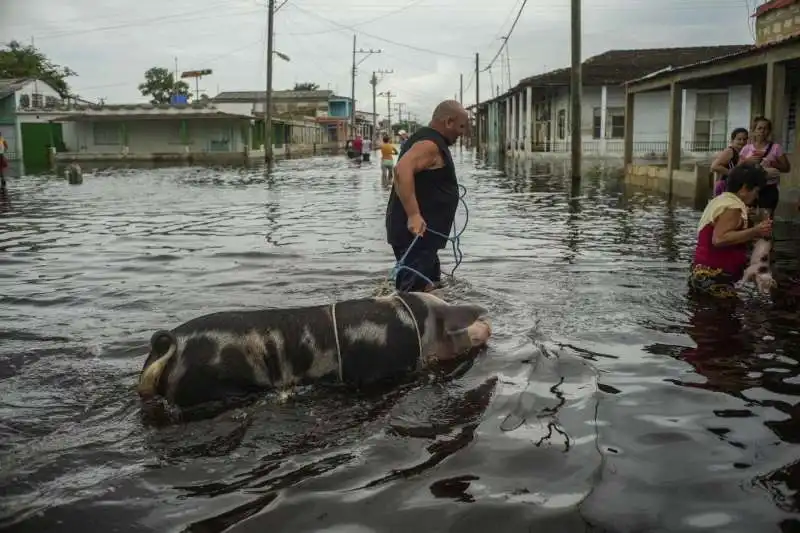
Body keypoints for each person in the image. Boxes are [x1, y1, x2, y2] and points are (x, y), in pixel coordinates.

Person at [385, 100, 469, 292]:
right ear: (448, 122)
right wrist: (414, 214)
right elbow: (401, 169)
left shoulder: (428, 141)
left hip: (424, 239)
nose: (462, 132)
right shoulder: (429, 144)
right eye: (461, 126)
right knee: (413, 297)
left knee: (431, 288)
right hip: (415, 236)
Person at [689, 162, 772, 299]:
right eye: (756, 191)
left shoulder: (721, 200)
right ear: (745, 188)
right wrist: (755, 231)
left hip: (704, 275)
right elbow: (719, 239)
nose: (756, 197)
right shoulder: (732, 207)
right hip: (716, 278)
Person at [738, 116, 791, 217]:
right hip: (750, 188)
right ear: (754, 131)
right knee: (748, 217)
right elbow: (737, 169)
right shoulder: (747, 149)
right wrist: (748, 161)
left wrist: (772, 163)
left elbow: (786, 168)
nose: (762, 131)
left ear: (769, 131)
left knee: (766, 219)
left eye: (765, 128)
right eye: (759, 128)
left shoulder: (776, 148)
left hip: (769, 188)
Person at [710, 127, 748, 197]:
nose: (742, 142)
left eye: (744, 139)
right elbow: (714, 166)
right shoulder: (730, 151)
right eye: (739, 139)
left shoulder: (742, 152)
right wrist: (732, 173)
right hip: (725, 186)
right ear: (733, 140)